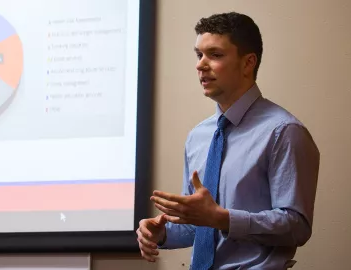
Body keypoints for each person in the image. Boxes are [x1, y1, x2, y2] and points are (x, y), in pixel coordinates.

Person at [136, 12, 320, 269]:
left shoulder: (284, 131)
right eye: (198, 55)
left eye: (215, 55)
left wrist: (223, 219)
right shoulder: (197, 137)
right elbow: (200, 226)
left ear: (248, 63)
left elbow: (297, 226)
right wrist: (161, 234)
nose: (200, 65)